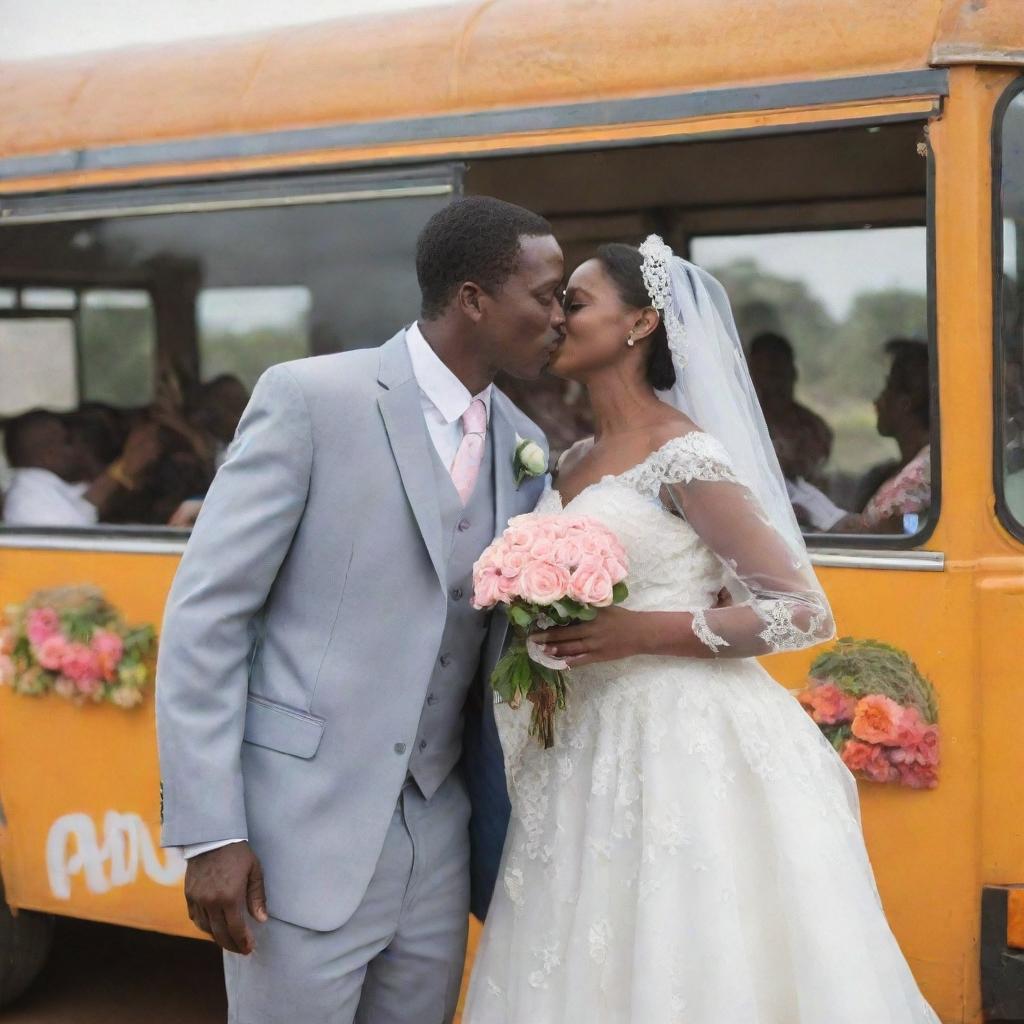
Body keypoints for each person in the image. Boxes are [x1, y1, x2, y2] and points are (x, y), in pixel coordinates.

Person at [463, 237, 939, 1023]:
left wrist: (640, 630)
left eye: (575, 303)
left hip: (679, 743)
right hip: (582, 746)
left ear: (640, 322)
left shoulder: (681, 453)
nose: (556, 319)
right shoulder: (572, 459)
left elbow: (799, 608)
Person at [155, 196, 565, 1024]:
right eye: (546, 295)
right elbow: (208, 618)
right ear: (474, 299)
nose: (560, 317)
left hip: (440, 832)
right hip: (295, 835)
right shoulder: (312, 398)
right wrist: (209, 833)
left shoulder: (526, 446)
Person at [832, 338, 931, 534]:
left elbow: (906, 532)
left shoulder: (919, 478)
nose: (877, 402)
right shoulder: (896, 471)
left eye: (887, 390)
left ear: (905, 403)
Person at [2, 408, 160, 527]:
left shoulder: (53, 486)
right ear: (48, 455)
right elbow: (74, 532)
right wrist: (124, 468)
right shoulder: (27, 496)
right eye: (68, 441)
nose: (76, 448)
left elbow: (87, 503)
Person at [748, 330, 833, 485]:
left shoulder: (812, 428)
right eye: (763, 374)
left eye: (777, 374)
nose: (772, 385)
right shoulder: (740, 423)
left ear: (793, 374)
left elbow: (809, 473)